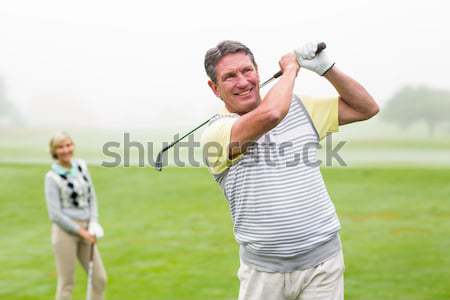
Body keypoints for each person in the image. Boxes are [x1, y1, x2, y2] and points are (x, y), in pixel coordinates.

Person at [201, 41, 379, 300]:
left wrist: (327, 68)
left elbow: (367, 108)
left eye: (247, 70)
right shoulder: (215, 134)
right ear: (214, 88)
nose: (242, 82)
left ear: (258, 71)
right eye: (229, 76)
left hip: (323, 264)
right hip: (263, 273)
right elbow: (272, 113)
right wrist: (291, 69)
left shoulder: (301, 109)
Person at [44, 132, 107, 300]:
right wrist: (81, 232)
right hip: (65, 233)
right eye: (60, 147)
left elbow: (91, 195)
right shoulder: (52, 177)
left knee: (99, 279)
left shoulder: (81, 166)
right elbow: (55, 214)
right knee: (67, 284)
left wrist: (93, 222)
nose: (66, 150)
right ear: (54, 151)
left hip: (87, 228)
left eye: (68, 145)